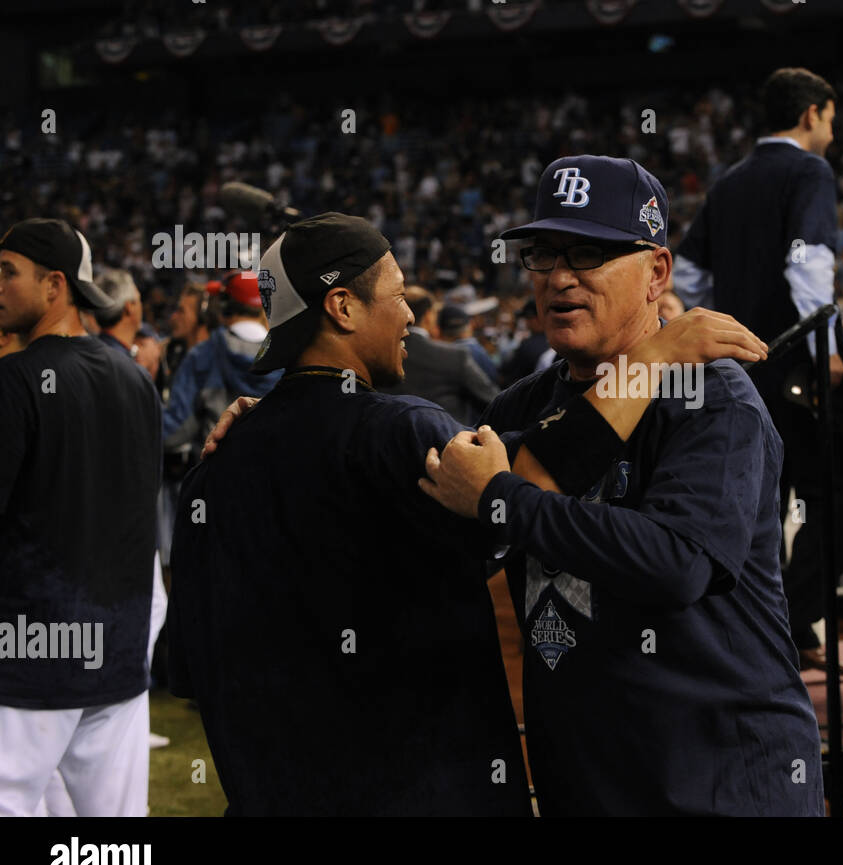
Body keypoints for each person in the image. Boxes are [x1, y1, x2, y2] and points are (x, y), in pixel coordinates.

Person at [174, 211, 764, 815]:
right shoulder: (403, 434)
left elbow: (180, 667)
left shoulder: (212, 472)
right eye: (400, 296)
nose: (410, 315)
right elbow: (519, 485)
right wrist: (656, 355)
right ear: (344, 308)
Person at [425, 154, 826, 816]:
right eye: (543, 253)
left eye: (588, 252)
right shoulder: (520, 406)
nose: (560, 277)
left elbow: (676, 563)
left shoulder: (712, 396)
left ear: (657, 273)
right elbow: (456, 527)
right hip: (590, 781)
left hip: (721, 781)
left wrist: (504, 498)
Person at [673, 67, 843, 669]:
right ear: (812, 114)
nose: (831, 131)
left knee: (761, 505)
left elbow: (689, 277)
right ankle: (792, 616)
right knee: (840, 491)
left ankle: (765, 633)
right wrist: (827, 345)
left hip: (737, 372)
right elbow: (809, 265)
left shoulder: (728, 183)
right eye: (831, 118)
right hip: (797, 367)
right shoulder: (810, 171)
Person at [0, 218, 161, 816]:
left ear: (54, 286)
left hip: (31, 652)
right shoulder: (134, 378)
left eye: (7, 272)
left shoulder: (14, 382)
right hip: (117, 655)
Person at [161, 270, 281, 465]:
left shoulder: (203, 355)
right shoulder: (287, 356)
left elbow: (175, 431)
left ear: (224, 307)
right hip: (271, 478)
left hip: (216, 478)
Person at [390, 285, 498, 424]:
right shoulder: (456, 357)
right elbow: (493, 403)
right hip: (449, 442)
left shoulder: (378, 356)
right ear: (429, 316)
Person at [437, 303, 500, 386]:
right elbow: (493, 380)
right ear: (469, 325)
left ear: (440, 331)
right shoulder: (477, 351)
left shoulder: (440, 355)